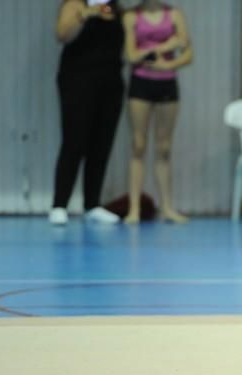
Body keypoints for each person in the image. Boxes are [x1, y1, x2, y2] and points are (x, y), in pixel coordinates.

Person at [50, 0, 125, 225]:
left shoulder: (116, 9)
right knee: (74, 141)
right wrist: (85, 14)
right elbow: (62, 34)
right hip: (78, 81)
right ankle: (59, 204)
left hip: (110, 82)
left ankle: (92, 203)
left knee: (101, 144)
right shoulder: (75, 4)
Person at [122, 0, 193, 224]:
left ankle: (167, 207)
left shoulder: (174, 14)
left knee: (163, 147)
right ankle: (133, 209)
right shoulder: (132, 16)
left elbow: (186, 49)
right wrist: (163, 46)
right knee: (138, 145)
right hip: (141, 85)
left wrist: (167, 64)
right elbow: (131, 56)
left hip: (167, 84)